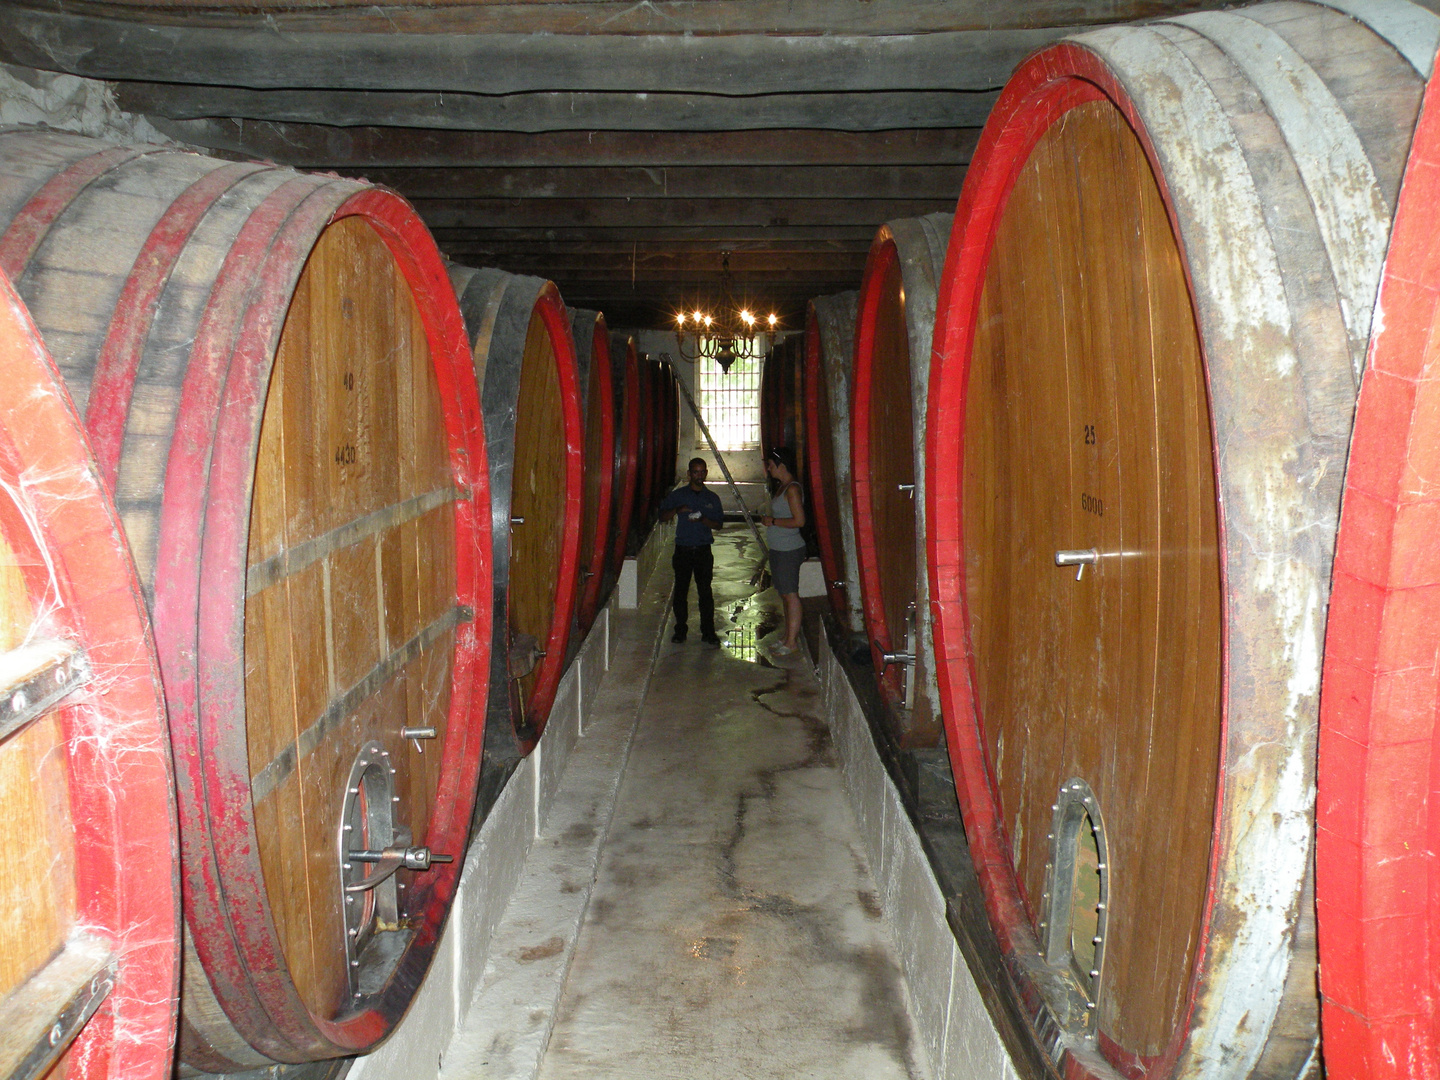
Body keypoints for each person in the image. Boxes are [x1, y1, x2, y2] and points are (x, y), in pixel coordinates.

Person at [659, 457, 725, 645]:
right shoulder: (679, 495)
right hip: (684, 550)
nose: (699, 476)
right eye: (695, 472)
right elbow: (662, 516)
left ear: (706, 473)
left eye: (702, 472)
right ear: (689, 474)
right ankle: (680, 630)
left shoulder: (712, 498)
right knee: (680, 591)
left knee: (705, 591)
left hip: (703, 550)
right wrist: (677, 510)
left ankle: (708, 631)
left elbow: (719, 524)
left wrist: (704, 520)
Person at [760, 446, 806, 655]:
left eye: (771, 465)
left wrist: (774, 521)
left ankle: (792, 642)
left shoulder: (792, 489)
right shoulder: (782, 487)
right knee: (784, 594)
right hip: (778, 548)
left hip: (789, 549)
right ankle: (787, 636)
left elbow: (799, 521)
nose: (769, 469)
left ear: (781, 465)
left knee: (791, 594)